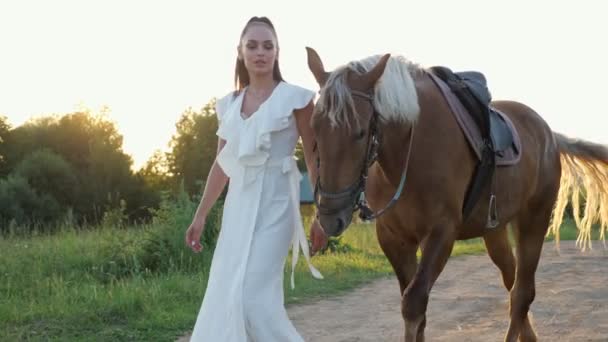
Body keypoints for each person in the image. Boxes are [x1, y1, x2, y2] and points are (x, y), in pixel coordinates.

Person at [185, 16, 328, 341]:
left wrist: (320, 212)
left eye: (268, 45)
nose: (260, 52)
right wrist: (201, 214)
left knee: (253, 299)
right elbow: (221, 164)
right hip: (239, 206)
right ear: (240, 51)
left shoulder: (298, 99)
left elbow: (312, 157)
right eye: (252, 45)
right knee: (227, 294)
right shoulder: (228, 105)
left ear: (277, 52)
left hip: (278, 204)